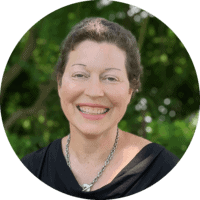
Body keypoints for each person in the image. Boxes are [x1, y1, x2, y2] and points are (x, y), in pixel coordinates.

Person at [21, 17, 179, 199]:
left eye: (111, 78)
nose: (94, 92)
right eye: (80, 75)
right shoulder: (30, 170)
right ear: (60, 84)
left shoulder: (164, 172)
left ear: (130, 90)